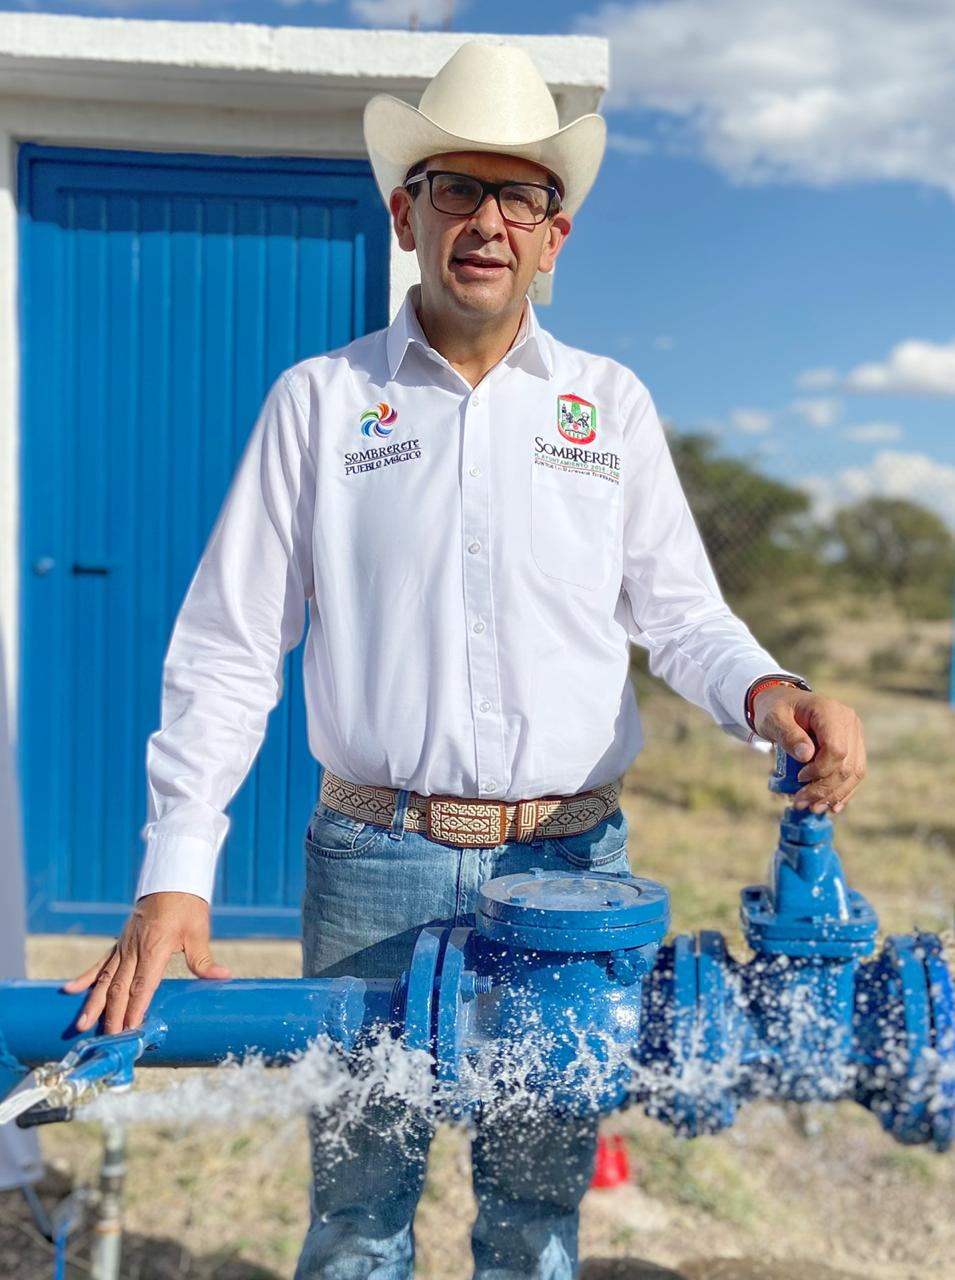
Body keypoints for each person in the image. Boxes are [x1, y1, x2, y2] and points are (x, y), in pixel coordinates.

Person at [65, 41, 867, 1280]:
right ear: (406, 212)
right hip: (375, 860)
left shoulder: (611, 409)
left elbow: (684, 617)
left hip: (570, 868)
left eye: (521, 196)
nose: (487, 220)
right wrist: (178, 872)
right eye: (456, 189)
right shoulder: (319, 404)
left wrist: (771, 693)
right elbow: (228, 649)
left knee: (537, 1216)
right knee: (357, 1212)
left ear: (555, 235)